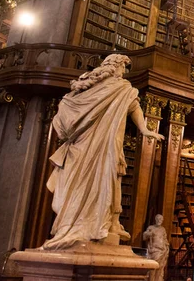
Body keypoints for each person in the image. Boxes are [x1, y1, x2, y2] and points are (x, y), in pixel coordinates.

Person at [42, 54, 165, 249]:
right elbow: (66, 107)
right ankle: (75, 225)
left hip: (106, 145)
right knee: (79, 183)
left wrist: (145, 129)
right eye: (123, 67)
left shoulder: (123, 89)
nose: (123, 72)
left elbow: (134, 107)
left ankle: (107, 224)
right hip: (85, 146)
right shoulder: (91, 87)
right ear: (114, 67)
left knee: (108, 179)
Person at [144, 214, 170, 281]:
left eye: (161, 219)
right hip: (154, 251)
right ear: (155, 219)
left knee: (160, 269)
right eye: (158, 219)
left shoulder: (163, 229)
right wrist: (149, 234)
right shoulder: (151, 228)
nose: (159, 220)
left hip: (162, 251)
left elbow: (165, 239)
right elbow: (144, 236)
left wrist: (166, 246)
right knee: (153, 268)